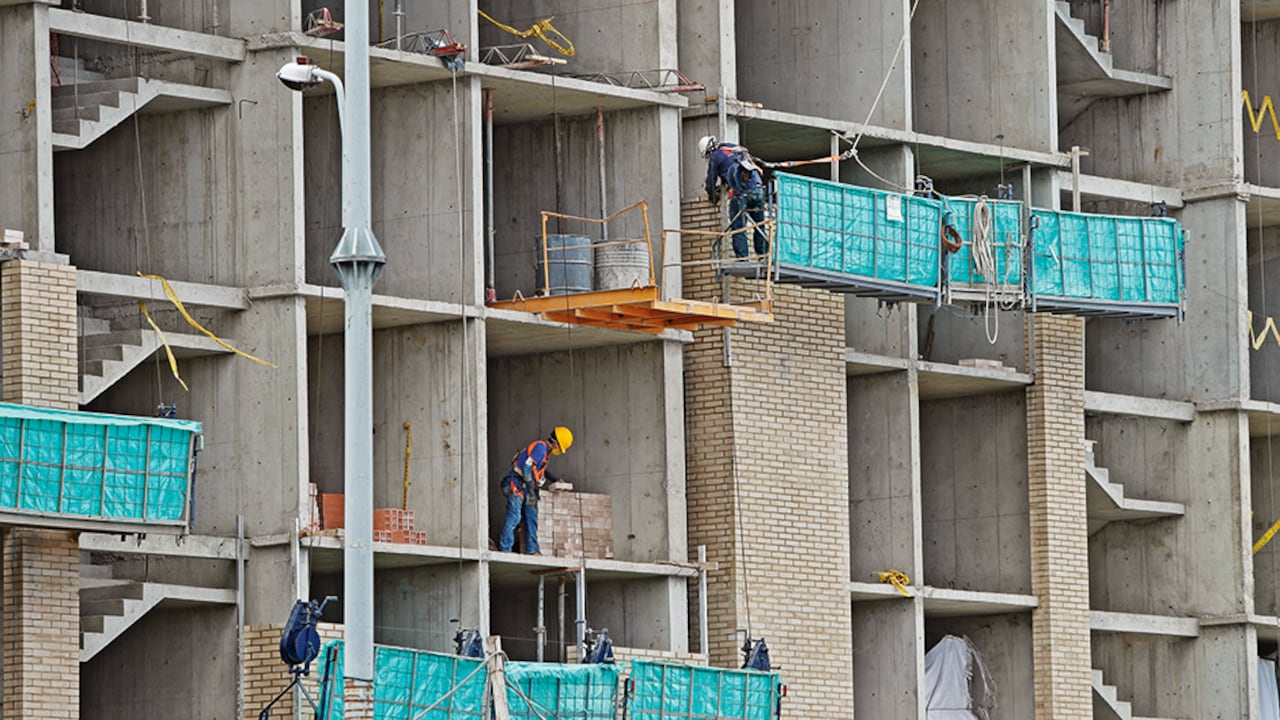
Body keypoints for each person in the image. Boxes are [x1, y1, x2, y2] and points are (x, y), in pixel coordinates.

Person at [497, 426, 573, 554]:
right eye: (560, 448)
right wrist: (532, 491)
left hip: (525, 486)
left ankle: (532, 549)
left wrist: (555, 479)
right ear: (555, 443)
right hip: (515, 484)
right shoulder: (540, 448)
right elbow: (527, 468)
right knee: (514, 517)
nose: (558, 450)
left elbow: (541, 470)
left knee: (531, 516)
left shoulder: (545, 453)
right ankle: (505, 549)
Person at [699, 135, 769, 259]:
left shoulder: (716, 156)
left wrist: (711, 194)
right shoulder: (735, 148)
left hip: (741, 193)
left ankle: (742, 258)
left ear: (709, 151)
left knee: (738, 226)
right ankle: (763, 255)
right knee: (759, 224)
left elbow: (711, 180)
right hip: (758, 189)